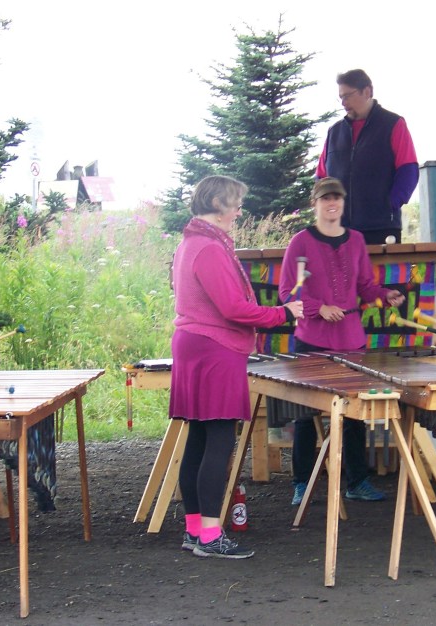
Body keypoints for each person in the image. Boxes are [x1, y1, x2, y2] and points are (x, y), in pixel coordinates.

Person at [170, 175, 304, 559]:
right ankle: (210, 537)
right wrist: (282, 313)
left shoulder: (190, 243)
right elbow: (232, 308)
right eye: (234, 203)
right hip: (214, 348)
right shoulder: (209, 248)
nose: (239, 211)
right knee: (219, 441)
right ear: (215, 203)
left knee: (199, 437)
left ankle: (195, 530)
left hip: (197, 346)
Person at [278, 177, 405, 506]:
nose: (331, 203)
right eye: (325, 198)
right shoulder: (300, 242)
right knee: (305, 415)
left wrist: (384, 294)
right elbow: (287, 293)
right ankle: (301, 484)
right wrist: (319, 308)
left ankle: (357, 481)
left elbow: (365, 285)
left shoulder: (357, 240)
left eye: (337, 198)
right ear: (315, 204)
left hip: (351, 339)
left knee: (354, 415)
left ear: (343, 203)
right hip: (312, 339)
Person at [317, 69, 418, 245]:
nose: (343, 102)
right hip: (338, 229)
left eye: (348, 95)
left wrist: (389, 205)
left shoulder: (394, 124)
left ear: (368, 91)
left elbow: (408, 171)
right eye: (340, 97)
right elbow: (321, 178)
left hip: (381, 229)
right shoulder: (334, 132)